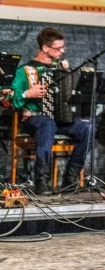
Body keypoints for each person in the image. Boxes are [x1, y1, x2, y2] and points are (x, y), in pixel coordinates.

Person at [10, 27, 90, 195]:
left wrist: (68, 74)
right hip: (34, 119)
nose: (63, 51)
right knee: (47, 123)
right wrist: (27, 93)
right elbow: (8, 97)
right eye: (58, 48)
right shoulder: (25, 71)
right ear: (45, 48)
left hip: (58, 120)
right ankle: (41, 180)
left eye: (63, 47)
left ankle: (70, 178)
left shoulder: (61, 68)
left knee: (86, 128)